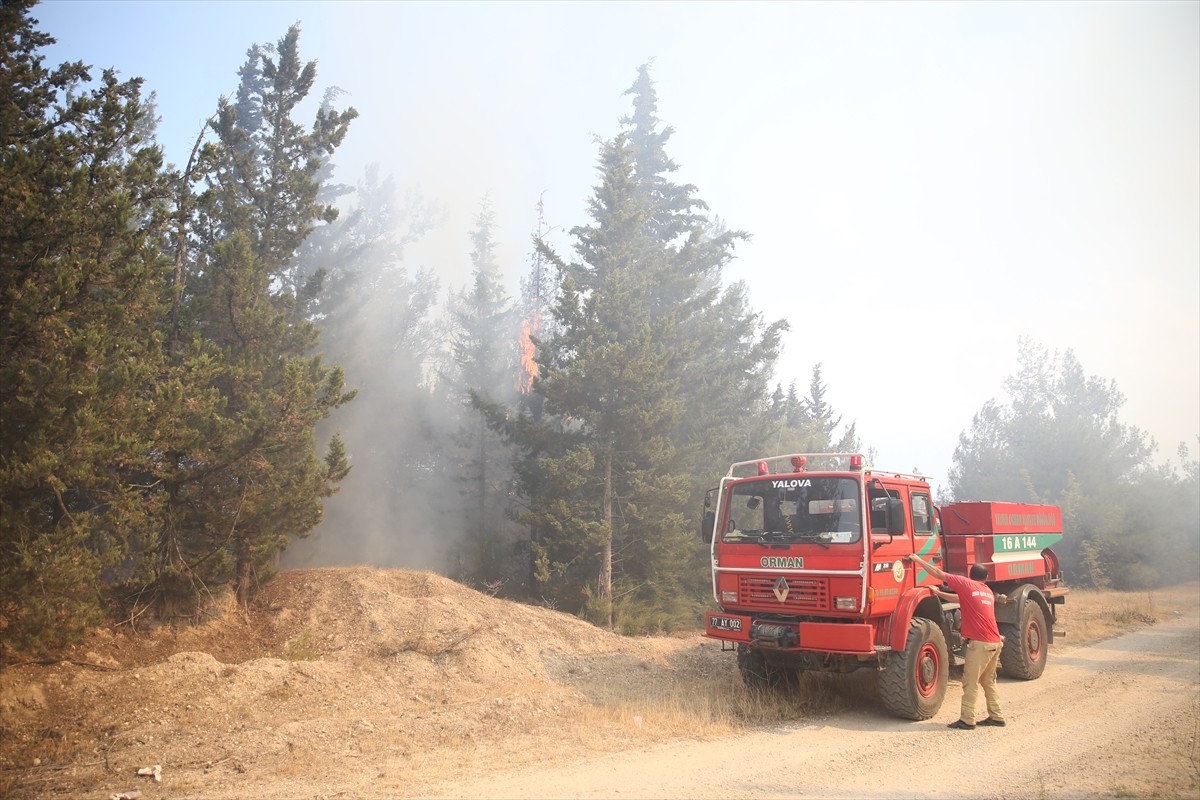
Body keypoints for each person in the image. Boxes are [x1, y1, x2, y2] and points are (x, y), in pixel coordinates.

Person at [906, 553, 1006, 730]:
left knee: (970, 682)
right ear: (986, 578)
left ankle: (967, 720)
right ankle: (996, 716)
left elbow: (938, 573)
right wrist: (939, 593)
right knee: (988, 682)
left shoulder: (965, 583)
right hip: (995, 643)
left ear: (969, 575)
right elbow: (961, 600)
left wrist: (917, 560)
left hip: (980, 644)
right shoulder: (987, 591)